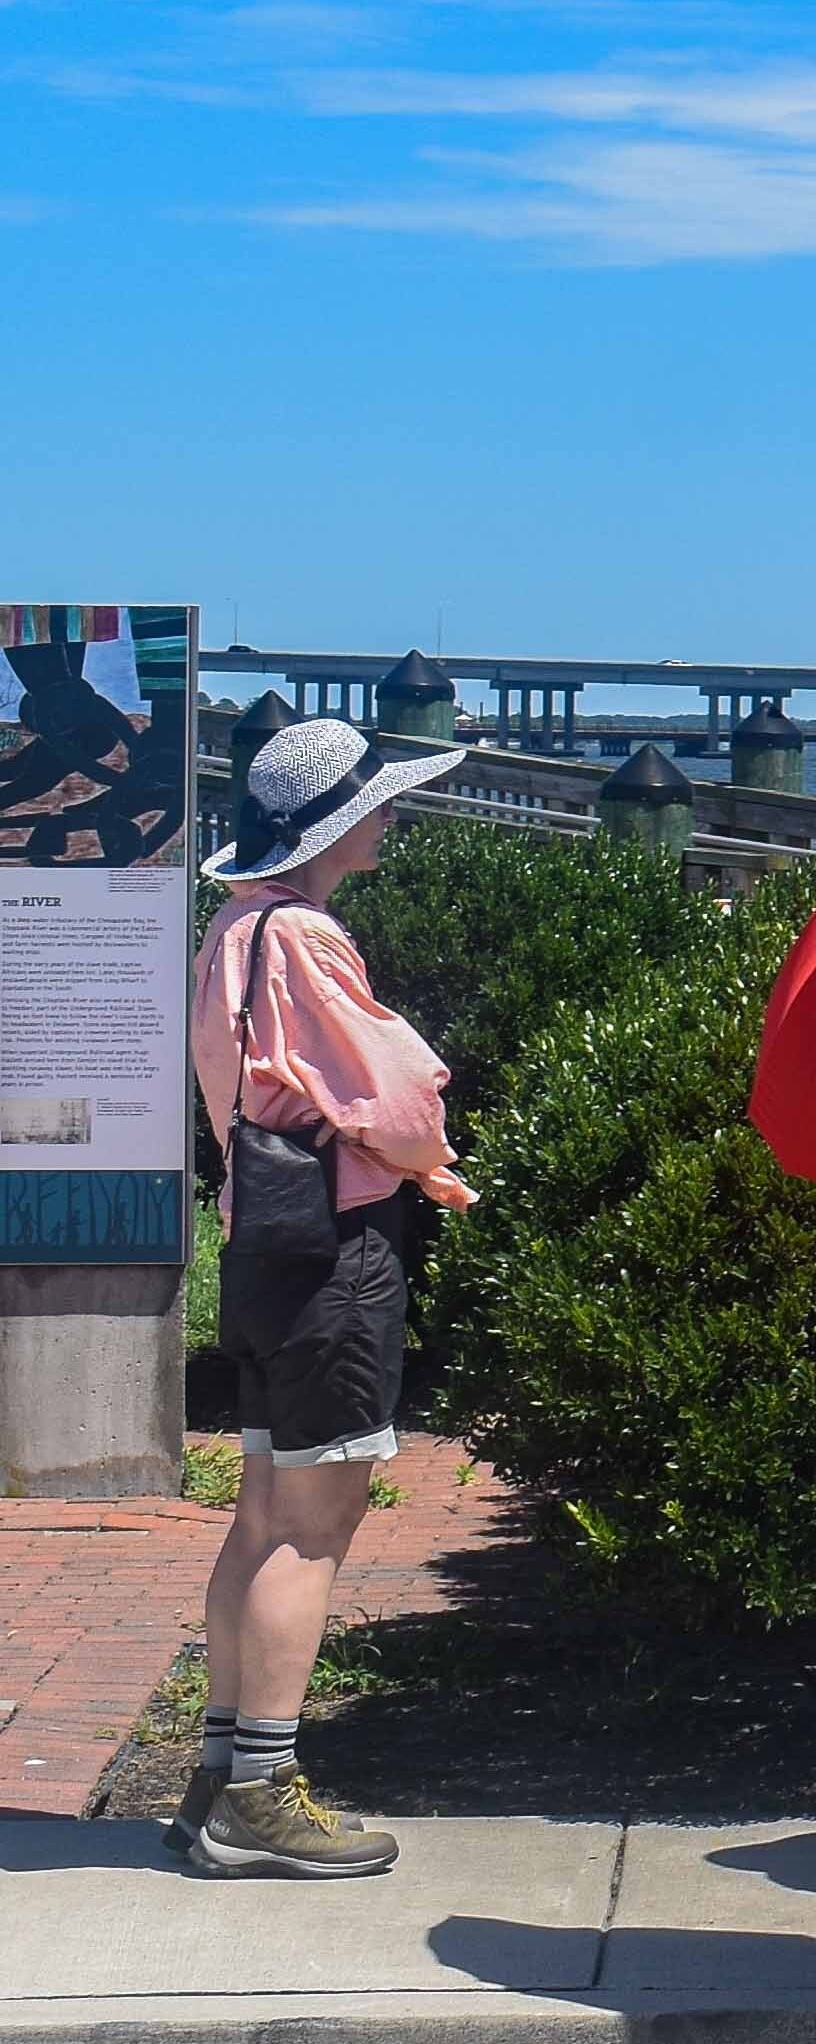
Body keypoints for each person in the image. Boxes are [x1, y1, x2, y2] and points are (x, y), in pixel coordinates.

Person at [173, 716, 474, 1881]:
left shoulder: (232, 931)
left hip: (264, 1245)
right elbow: (393, 1092)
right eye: (378, 802)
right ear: (335, 825)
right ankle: (261, 1790)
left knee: (261, 1514)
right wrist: (425, 1148)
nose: (391, 816)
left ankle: (217, 1771)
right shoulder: (306, 934)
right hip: (335, 1255)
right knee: (316, 1526)